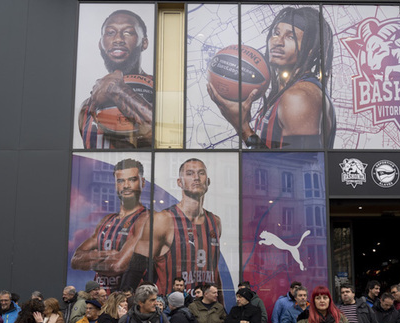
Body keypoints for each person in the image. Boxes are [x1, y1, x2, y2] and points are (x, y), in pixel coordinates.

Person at [208, 6, 335, 149]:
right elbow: (273, 159)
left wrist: (242, 127)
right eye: (276, 33)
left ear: (310, 49)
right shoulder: (286, 91)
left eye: (290, 36)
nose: (277, 42)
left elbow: (298, 167)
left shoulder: (299, 96)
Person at [125, 158, 223, 301]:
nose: (196, 177)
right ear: (179, 182)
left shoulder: (215, 222)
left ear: (207, 182)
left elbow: (214, 272)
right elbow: (135, 270)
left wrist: (220, 307)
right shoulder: (163, 220)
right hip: (171, 309)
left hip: (205, 310)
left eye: (201, 173)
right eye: (190, 173)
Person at [71, 159, 149, 294]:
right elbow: (76, 260)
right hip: (100, 300)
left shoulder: (145, 218)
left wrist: (91, 259)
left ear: (142, 182)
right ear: (115, 185)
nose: (126, 185)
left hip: (126, 301)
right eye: (120, 181)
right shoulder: (107, 220)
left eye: (132, 180)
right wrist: (108, 254)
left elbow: (117, 266)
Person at [78, 9, 152, 149]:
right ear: (101, 44)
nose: (118, 39)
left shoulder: (161, 88)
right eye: (110, 33)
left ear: (144, 43)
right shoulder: (86, 107)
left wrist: (118, 90)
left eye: (128, 32)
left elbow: (167, 138)